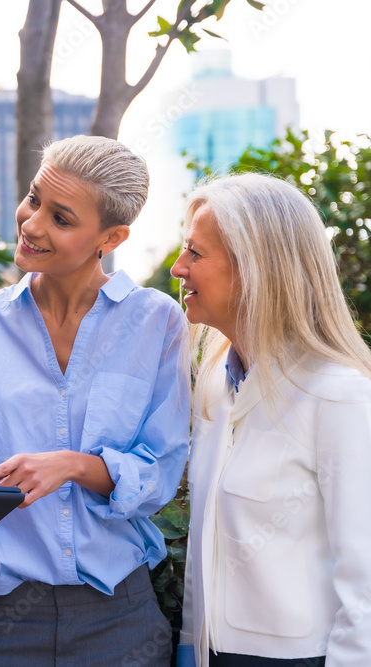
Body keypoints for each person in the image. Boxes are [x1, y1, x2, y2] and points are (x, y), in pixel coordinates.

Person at [0, 135, 189, 666]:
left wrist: (76, 466)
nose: (31, 224)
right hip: (0, 619)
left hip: (120, 619)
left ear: (111, 237)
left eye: (60, 218)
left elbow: (160, 473)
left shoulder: (158, 322)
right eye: (34, 199)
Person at [171, 173, 371, 666]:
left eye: (195, 254)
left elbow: (365, 586)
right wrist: (188, 648)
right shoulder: (217, 379)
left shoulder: (339, 396)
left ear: (254, 268)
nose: (178, 269)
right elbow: (204, 541)